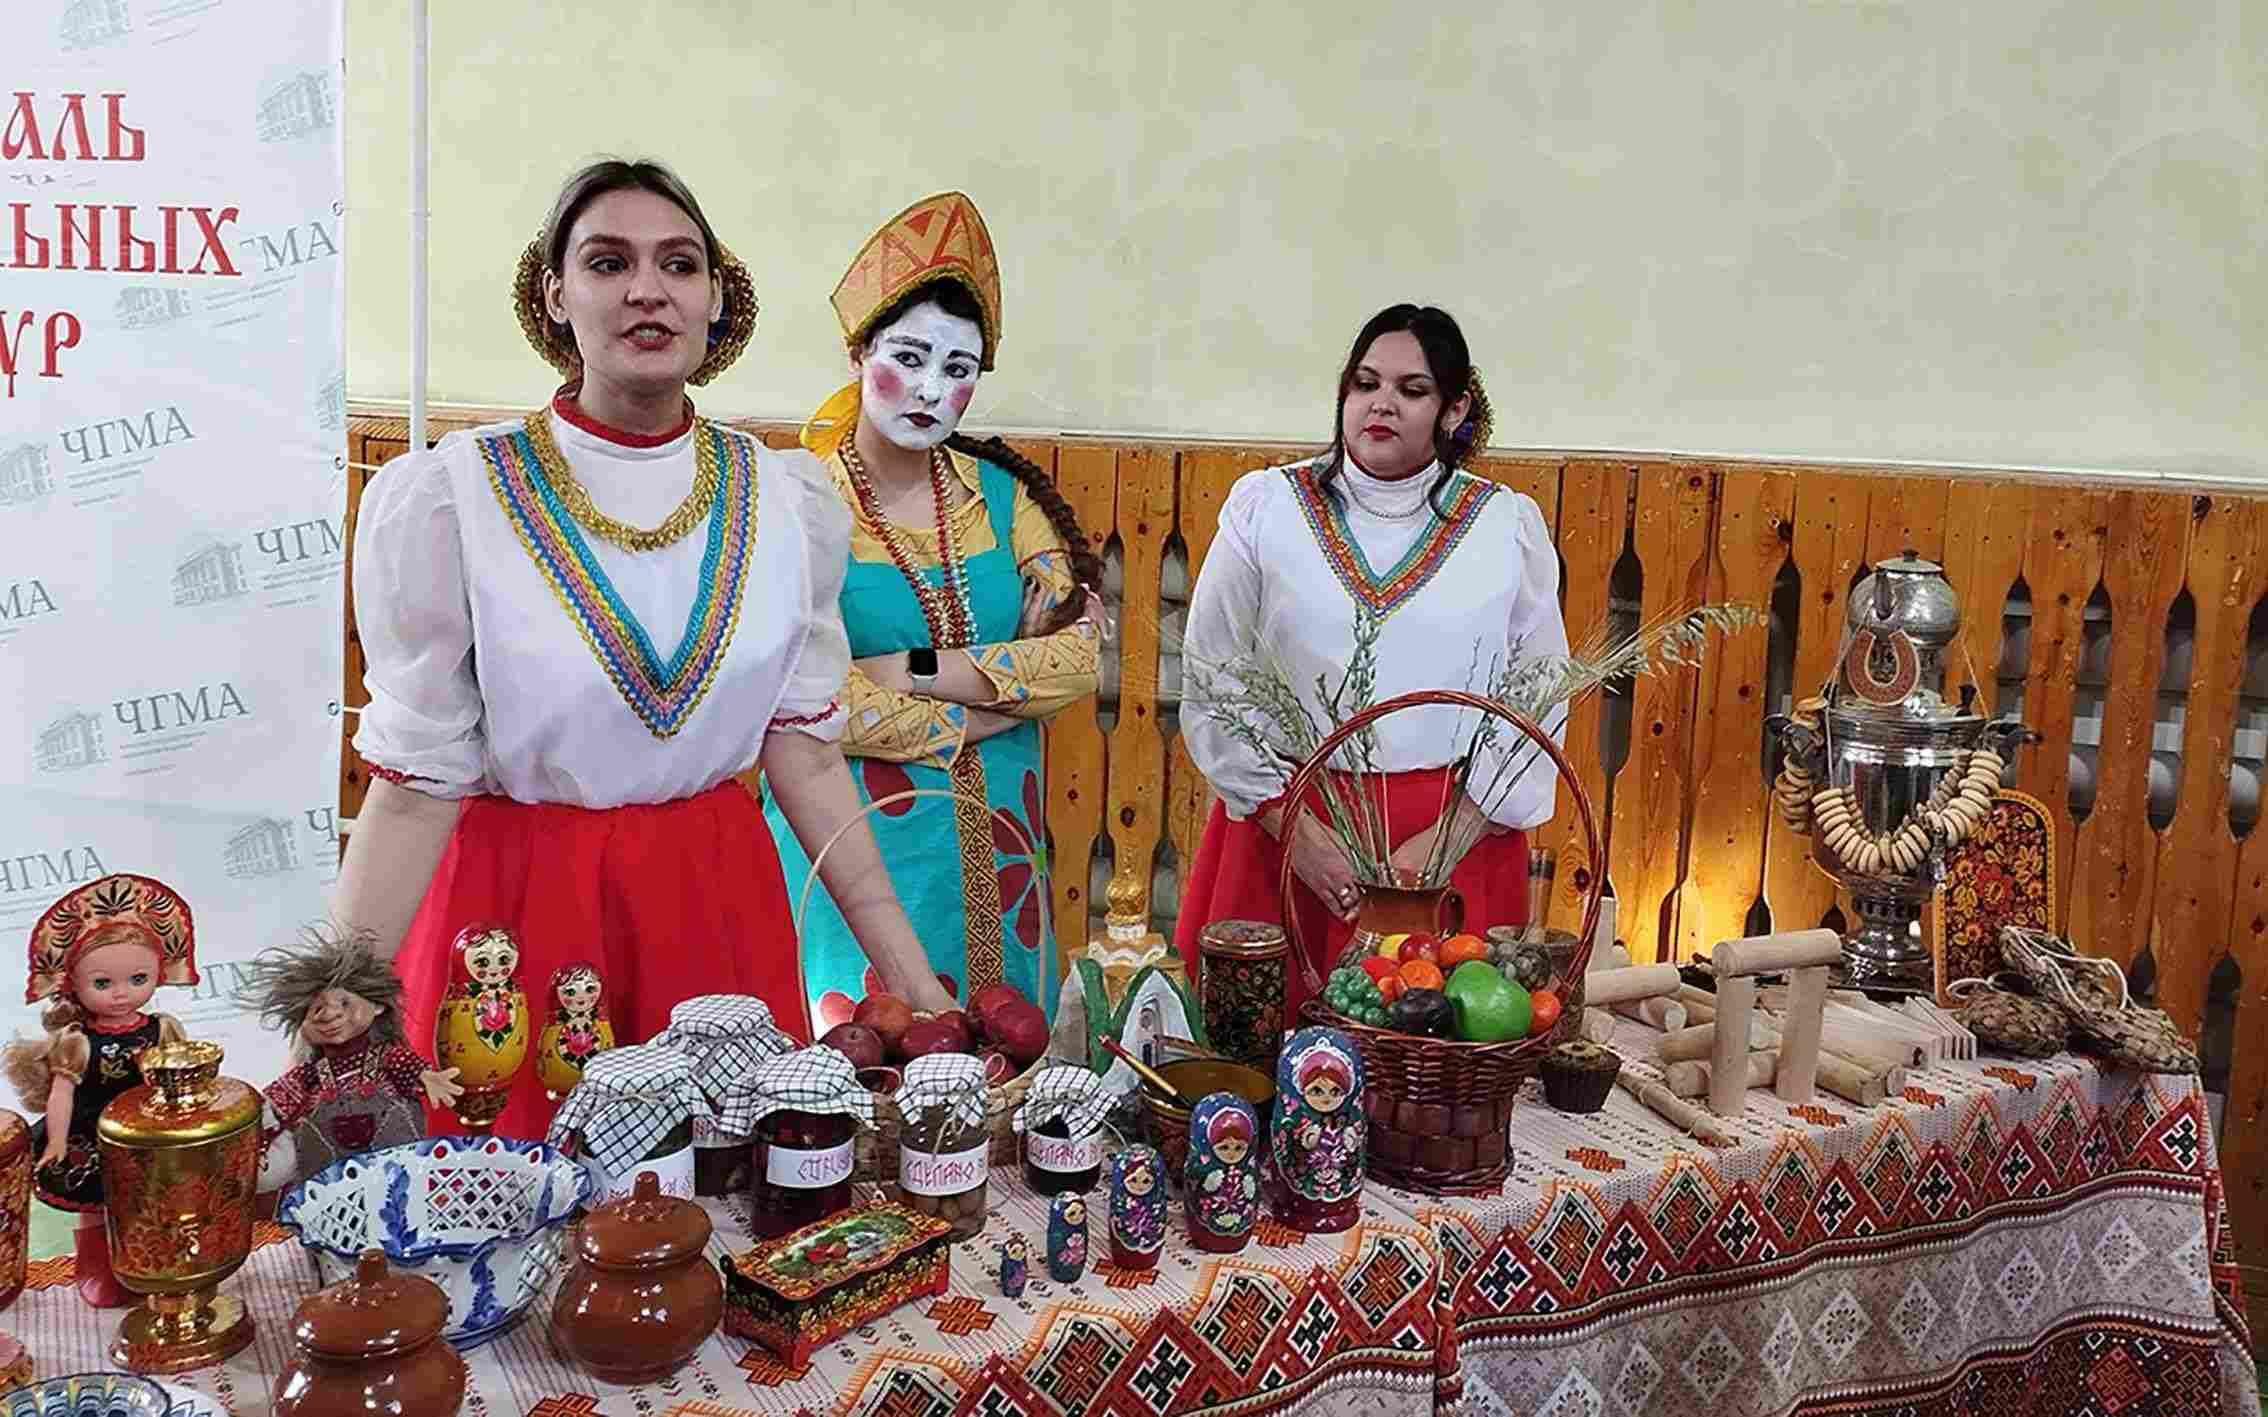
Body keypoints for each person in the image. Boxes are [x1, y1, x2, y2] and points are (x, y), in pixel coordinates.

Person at [335, 159, 951, 1141]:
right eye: (608, 262)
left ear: (715, 298)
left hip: (712, 911)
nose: (647, 289)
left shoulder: (786, 502)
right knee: (508, 1206)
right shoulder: (458, 497)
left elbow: (806, 754)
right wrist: (330, 1014)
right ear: (555, 294)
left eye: (679, 263)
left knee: (725, 1201)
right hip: (514, 924)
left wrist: (916, 984)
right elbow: (413, 788)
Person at [1174, 305, 1569, 1005]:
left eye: (1412, 390)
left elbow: (1537, 696)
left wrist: (1448, 838)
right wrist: (1298, 835)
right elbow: (1213, 674)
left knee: (1434, 1054)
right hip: (1287, 830)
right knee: (1263, 1054)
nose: (1381, 403)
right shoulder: (1265, 508)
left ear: (1454, 409)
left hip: (1447, 844)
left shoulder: (1505, 526)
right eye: (1365, 383)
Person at [777, 192, 1101, 1029]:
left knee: (1010, 1058)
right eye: (909, 357)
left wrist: (913, 670)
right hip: (857, 839)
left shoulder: (1008, 499)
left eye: (959, 370)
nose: (930, 388)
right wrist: (983, 714)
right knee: (868, 1056)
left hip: (1004, 843)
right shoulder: (799, 503)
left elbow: (1076, 659)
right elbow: (807, 699)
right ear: (858, 350)